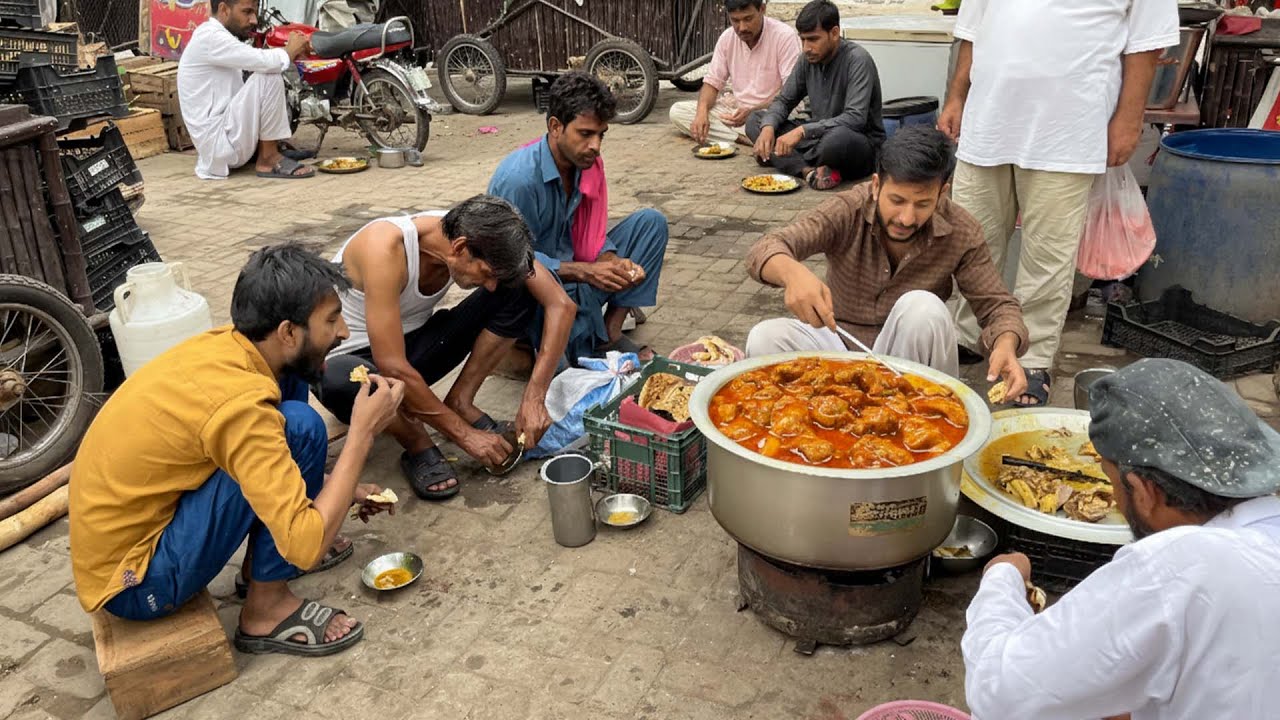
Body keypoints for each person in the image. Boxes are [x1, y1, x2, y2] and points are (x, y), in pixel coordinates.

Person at [70, 244, 406, 657]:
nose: (344, 332)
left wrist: (340, 488)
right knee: (301, 428)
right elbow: (305, 548)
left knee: (293, 385)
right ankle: (266, 610)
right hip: (136, 583)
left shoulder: (235, 347)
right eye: (332, 320)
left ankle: (257, 569)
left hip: (141, 530)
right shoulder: (242, 408)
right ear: (288, 332)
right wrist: (362, 433)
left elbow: (260, 459)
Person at [963, 359, 1280, 719]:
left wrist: (1002, 578)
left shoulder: (1180, 567)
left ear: (1144, 492)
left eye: (1110, 478)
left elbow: (998, 692)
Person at [939, 0, 1177, 406]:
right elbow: (973, 27)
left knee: (1047, 253)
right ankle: (970, 333)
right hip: (988, 115)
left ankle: (1032, 357)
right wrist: (956, 96)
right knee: (971, 239)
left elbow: (1147, 40)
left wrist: (1128, 118)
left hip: (1068, 125)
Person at [315, 195, 576, 500]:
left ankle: (460, 402)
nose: (490, 286)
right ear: (460, 248)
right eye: (486, 274)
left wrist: (534, 397)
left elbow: (561, 305)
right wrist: (466, 437)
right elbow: (391, 366)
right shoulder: (384, 247)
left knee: (518, 288)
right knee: (340, 377)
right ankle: (417, 443)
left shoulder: (481, 232)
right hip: (356, 369)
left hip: (411, 353)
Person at [744, 126, 1028, 399]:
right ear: (877, 185)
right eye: (897, 200)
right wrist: (792, 274)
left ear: (942, 194)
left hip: (909, 360)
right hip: (838, 343)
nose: (906, 218)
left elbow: (997, 305)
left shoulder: (961, 229)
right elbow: (767, 247)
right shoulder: (848, 209)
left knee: (924, 308)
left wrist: (1005, 343)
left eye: (922, 204)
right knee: (764, 338)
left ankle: (924, 417)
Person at [489, 71, 668, 365]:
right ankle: (566, 347)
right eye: (585, 134)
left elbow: (588, 236)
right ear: (555, 126)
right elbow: (513, 264)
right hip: (533, 289)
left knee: (650, 224)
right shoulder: (519, 180)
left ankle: (610, 332)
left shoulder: (586, 163)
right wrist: (586, 271)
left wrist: (610, 260)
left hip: (575, 272)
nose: (596, 146)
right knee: (575, 366)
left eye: (601, 135)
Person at [746, 0, 885, 190]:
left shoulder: (858, 60)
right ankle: (808, 171)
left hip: (854, 143)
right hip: (816, 138)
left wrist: (802, 131)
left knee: (836, 141)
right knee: (755, 121)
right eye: (802, 40)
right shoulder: (807, 59)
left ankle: (780, 158)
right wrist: (768, 128)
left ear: (834, 33)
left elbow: (855, 118)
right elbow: (784, 101)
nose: (806, 47)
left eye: (813, 39)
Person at [178, 0, 315, 180]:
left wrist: (289, 53)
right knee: (269, 76)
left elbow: (259, 60)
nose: (254, 20)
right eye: (247, 12)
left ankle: (265, 150)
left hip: (225, 139)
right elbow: (266, 62)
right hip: (220, 144)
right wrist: (290, 49)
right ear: (224, 9)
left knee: (265, 73)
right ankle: (268, 158)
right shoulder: (210, 37)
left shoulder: (216, 36)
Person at [669, 0, 801, 147]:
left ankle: (745, 136)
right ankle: (742, 138)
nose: (742, 27)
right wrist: (701, 112)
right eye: (735, 20)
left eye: (748, 19)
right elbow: (713, 82)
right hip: (737, 112)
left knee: (771, 123)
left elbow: (790, 92)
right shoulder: (727, 38)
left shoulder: (784, 36)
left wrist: (752, 110)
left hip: (770, 112)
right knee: (678, 111)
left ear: (762, 9)